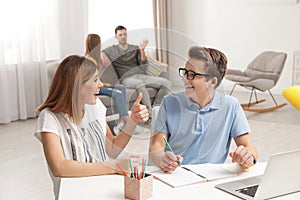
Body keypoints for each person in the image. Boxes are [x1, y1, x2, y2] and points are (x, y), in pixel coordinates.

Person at [35, 55, 149, 199]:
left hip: (103, 186)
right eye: (95, 80)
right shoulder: (50, 118)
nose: (101, 84)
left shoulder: (95, 108)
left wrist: (133, 121)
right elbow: (59, 167)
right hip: (74, 193)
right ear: (76, 86)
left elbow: (112, 149)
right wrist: (114, 166)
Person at [149, 46, 258, 172]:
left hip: (210, 179)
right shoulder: (170, 102)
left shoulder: (230, 106)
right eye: (185, 72)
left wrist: (248, 157)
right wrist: (162, 158)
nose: (184, 79)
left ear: (212, 81)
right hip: (176, 175)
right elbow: (155, 147)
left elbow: (249, 148)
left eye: (192, 75)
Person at [101, 25, 172, 116]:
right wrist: (103, 58)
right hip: (127, 79)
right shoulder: (112, 50)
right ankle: (149, 114)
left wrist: (142, 50)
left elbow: (144, 67)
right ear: (116, 37)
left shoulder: (134, 48)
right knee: (139, 84)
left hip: (142, 75)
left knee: (167, 83)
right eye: (120, 35)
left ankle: (156, 108)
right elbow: (100, 53)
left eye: (124, 34)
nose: (123, 37)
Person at [85, 33, 128, 134]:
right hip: (94, 89)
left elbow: (107, 65)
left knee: (121, 88)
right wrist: (103, 84)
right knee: (117, 93)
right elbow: (91, 80)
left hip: (99, 84)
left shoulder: (96, 57)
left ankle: (121, 121)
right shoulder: (88, 59)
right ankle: (127, 120)